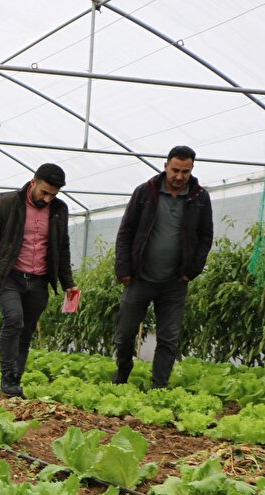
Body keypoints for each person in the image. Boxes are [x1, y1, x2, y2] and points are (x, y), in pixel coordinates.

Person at [113, 145, 213, 388]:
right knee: (124, 333)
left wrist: (192, 270)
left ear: (192, 170)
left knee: (169, 337)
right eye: (175, 170)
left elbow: (205, 236)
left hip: (175, 281)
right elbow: (126, 231)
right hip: (139, 278)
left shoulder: (199, 197)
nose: (179, 176)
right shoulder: (145, 193)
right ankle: (123, 371)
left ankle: (159, 386)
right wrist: (124, 269)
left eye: (185, 172)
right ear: (165, 166)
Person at [0, 163, 78, 397]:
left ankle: (15, 381)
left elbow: (62, 247)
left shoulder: (59, 209)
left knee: (26, 330)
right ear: (33, 183)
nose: (48, 199)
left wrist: (68, 282)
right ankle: (7, 376)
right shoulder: (8, 202)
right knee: (14, 319)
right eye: (44, 192)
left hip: (39, 280)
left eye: (53, 194)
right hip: (9, 275)